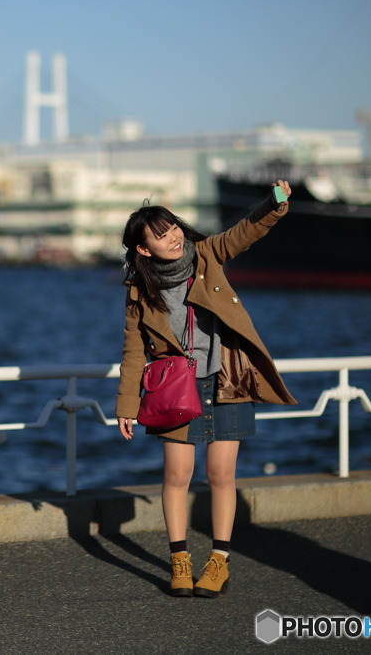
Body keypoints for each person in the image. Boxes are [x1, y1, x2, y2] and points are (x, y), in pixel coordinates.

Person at [115, 182, 297, 598]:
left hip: (227, 378)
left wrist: (274, 205)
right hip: (174, 388)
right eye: (160, 235)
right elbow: (132, 351)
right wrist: (126, 405)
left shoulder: (207, 255)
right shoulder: (139, 290)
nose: (173, 237)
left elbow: (244, 231)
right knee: (177, 475)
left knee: (221, 474)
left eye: (173, 227)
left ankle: (218, 561)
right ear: (144, 249)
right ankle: (180, 560)